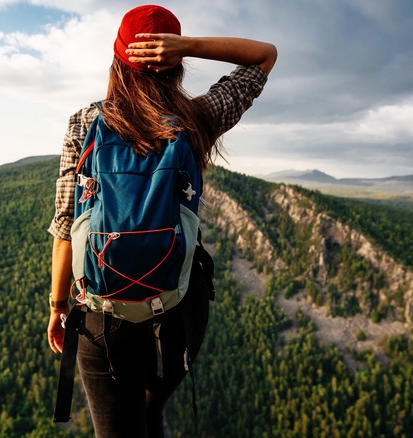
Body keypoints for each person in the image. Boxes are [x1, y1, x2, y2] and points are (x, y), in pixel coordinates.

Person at [47, 4, 276, 437]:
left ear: (117, 60)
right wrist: (187, 46)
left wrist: (59, 307)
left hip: (101, 316)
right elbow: (264, 55)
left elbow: (65, 226)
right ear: (175, 63)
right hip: (176, 310)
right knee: (153, 409)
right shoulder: (197, 119)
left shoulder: (85, 122)